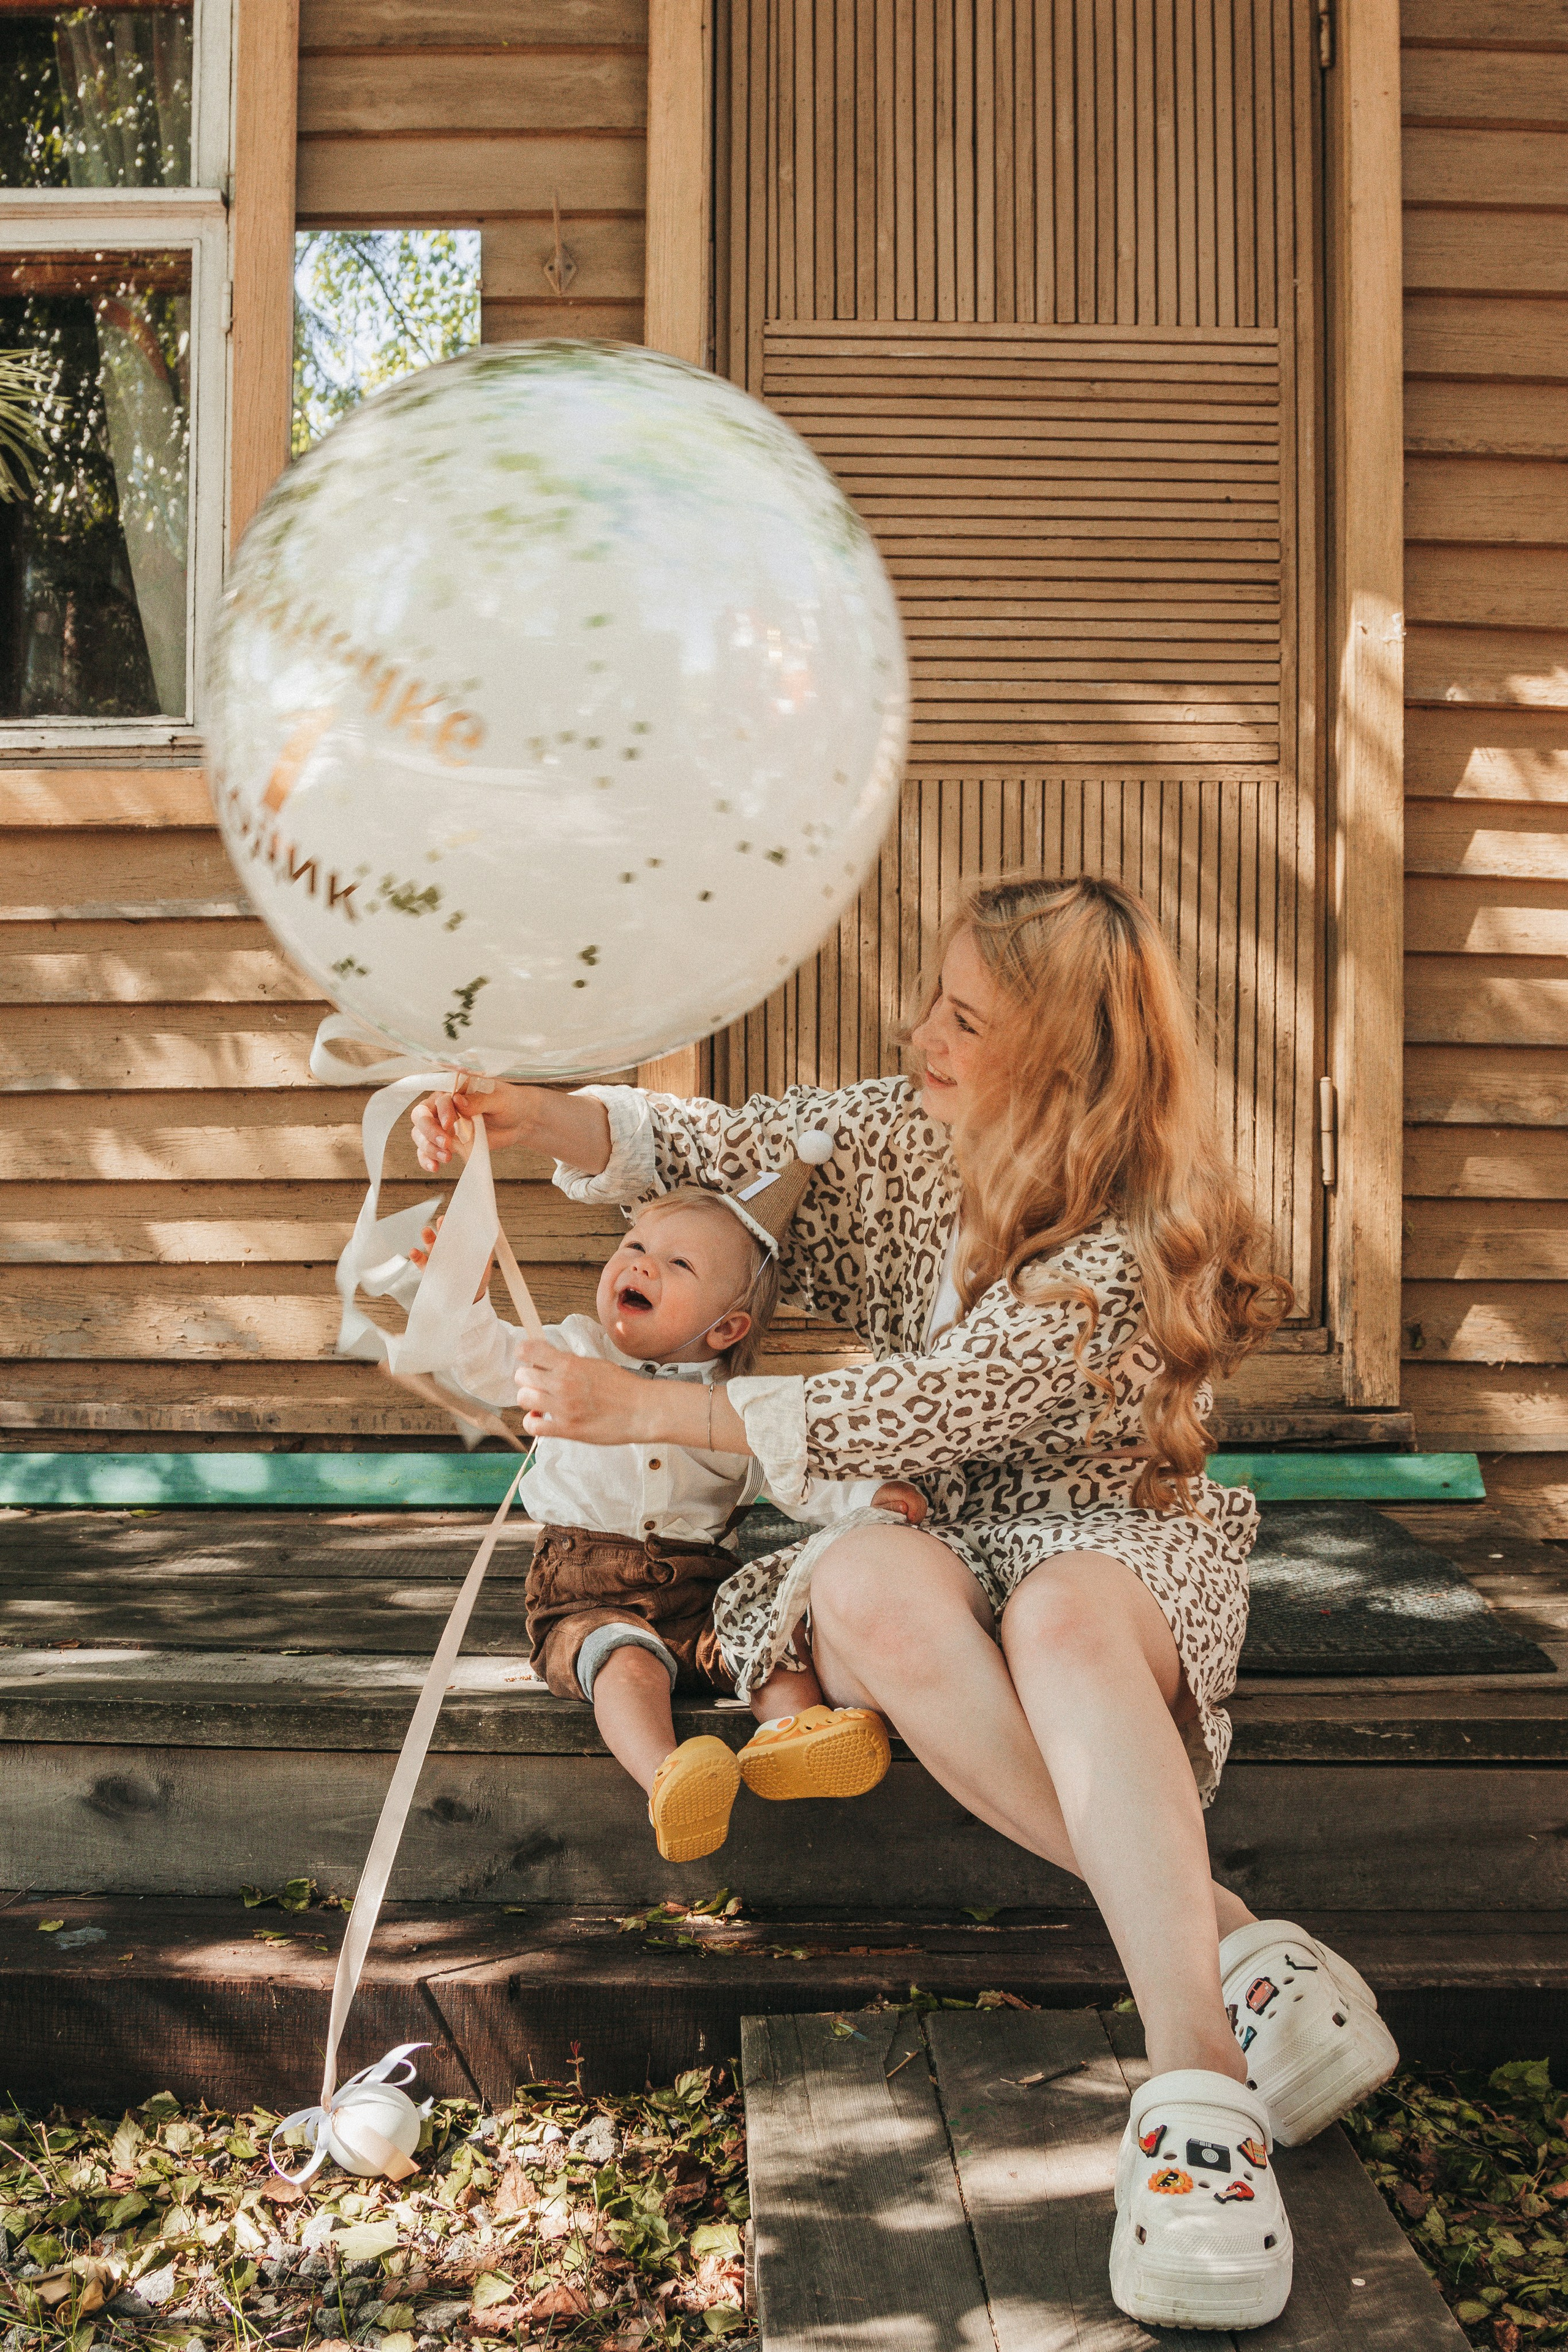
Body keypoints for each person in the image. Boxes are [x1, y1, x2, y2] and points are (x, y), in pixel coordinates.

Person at [412, 875, 1399, 2331]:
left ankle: (1195, 2083)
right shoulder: (895, 1133)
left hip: (1106, 1539)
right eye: (933, 1003)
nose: (917, 1031)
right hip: (924, 1525)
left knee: (1060, 1620)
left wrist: (648, 1407)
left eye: (960, 1016)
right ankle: (1230, 1933)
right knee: (862, 1578)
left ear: (1059, 1061)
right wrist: (534, 1113)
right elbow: (721, 1144)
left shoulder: (1122, 1238)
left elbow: (933, 1399)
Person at [404, 1150, 923, 1866]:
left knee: (769, 1640)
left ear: (726, 1330)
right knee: (623, 1662)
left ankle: (792, 1735)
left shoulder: (735, 1410)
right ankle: (670, 1777)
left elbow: (803, 1479)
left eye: (679, 1266)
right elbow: (487, 1361)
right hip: (585, 1585)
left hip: (703, 1590)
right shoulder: (571, 1351)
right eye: (636, 1246)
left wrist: (868, 1496)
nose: (643, 1265)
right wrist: (462, 1297)